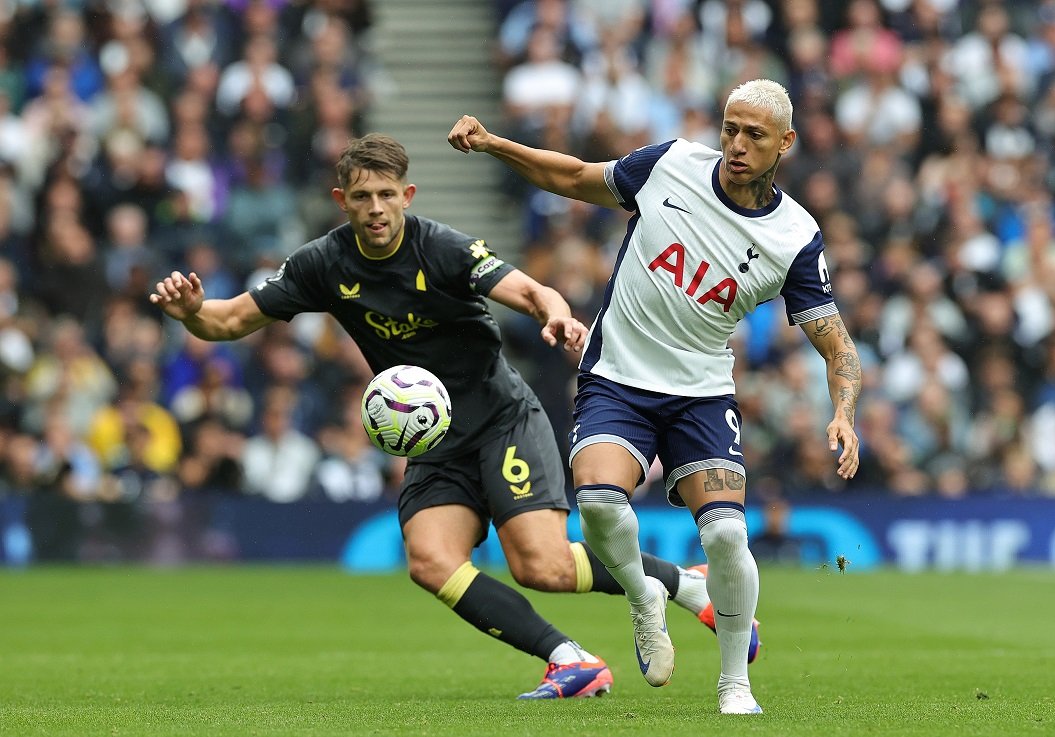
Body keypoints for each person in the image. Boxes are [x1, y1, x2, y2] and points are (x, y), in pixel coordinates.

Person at [149, 133, 726, 700]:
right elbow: (226, 322)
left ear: (408, 195)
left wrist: (557, 314)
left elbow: (529, 291)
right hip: (432, 439)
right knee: (430, 561)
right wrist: (191, 312)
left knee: (542, 566)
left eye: (386, 195)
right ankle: (570, 660)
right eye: (361, 197)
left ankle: (679, 580)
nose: (375, 209)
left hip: (501, 419)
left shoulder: (442, 249)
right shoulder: (322, 264)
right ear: (340, 200)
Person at [448, 78, 863, 715]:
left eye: (754, 134)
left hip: (700, 394)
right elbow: (574, 177)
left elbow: (836, 344)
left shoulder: (796, 236)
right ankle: (645, 597)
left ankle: (734, 685)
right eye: (730, 127)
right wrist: (493, 143)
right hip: (617, 376)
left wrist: (843, 411)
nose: (736, 144)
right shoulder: (670, 165)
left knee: (725, 536)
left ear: (787, 143)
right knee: (597, 501)